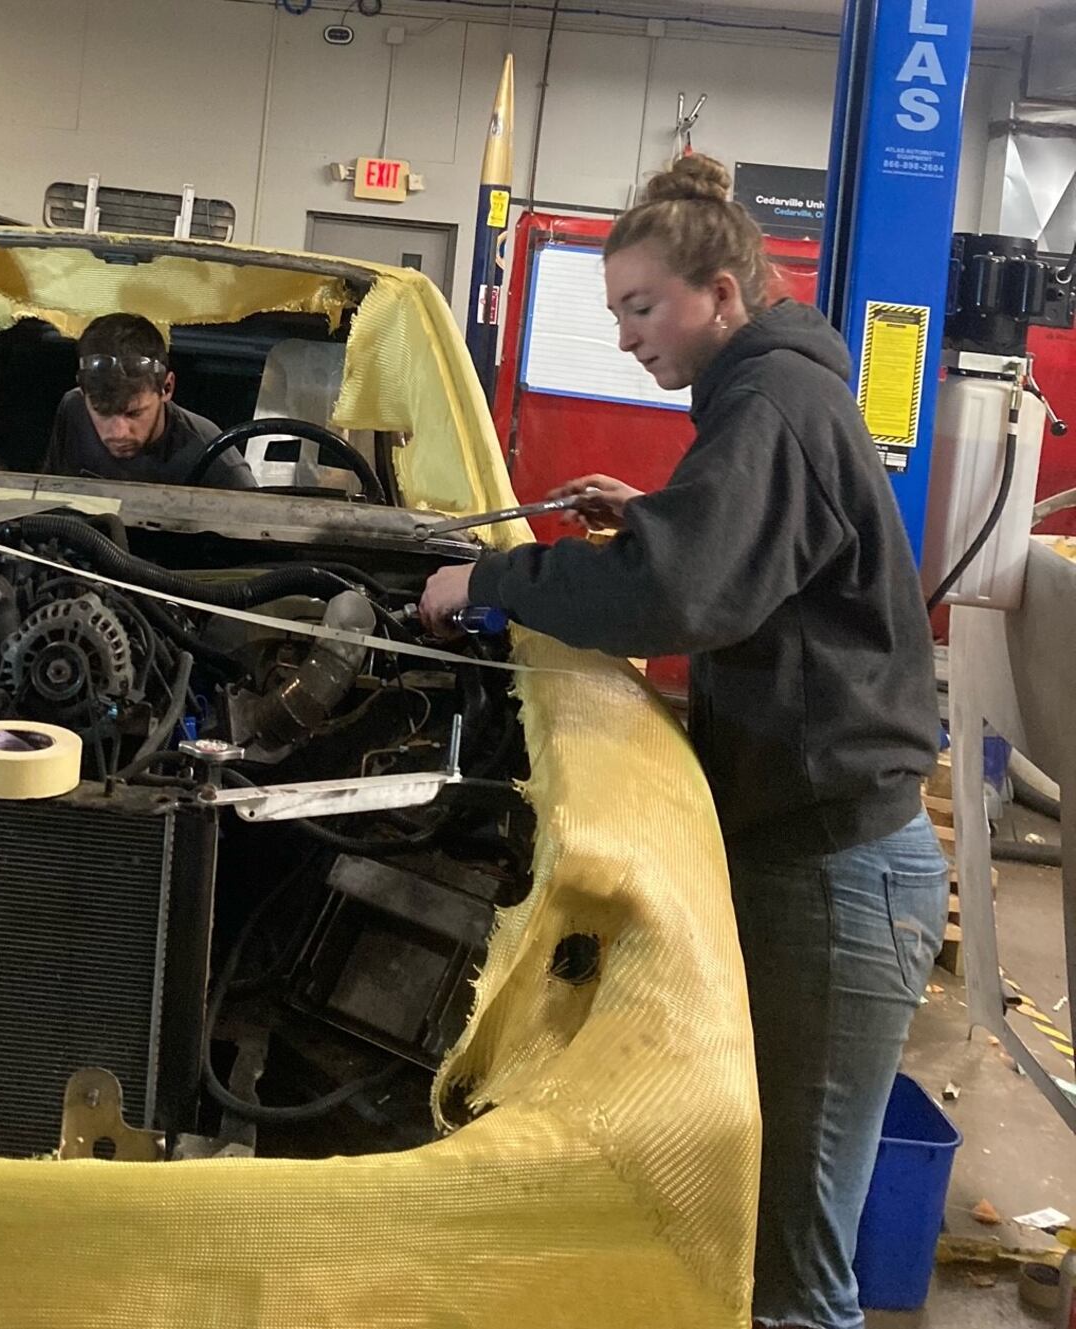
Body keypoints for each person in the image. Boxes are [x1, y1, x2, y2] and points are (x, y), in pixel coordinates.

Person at [419, 155, 945, 1329]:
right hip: (814, 851)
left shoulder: (772, 405)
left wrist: (491, 580)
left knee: (793, 1263)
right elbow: (751, 564)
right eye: (614, 313)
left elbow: (682, 598)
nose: (625, 340)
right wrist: (652, 519)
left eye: (641, 308)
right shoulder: (768, 394)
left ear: (719, 293)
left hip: (837, 874)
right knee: (758, 1216)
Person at [44, 313, 257, 490]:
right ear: (83, 392)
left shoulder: (212, 457)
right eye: (103, 413)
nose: (119, 433)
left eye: (134, 413)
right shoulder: (73, 409)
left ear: (166, 388)